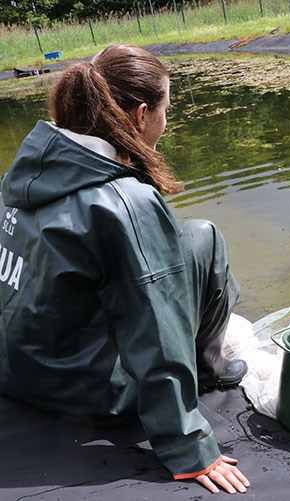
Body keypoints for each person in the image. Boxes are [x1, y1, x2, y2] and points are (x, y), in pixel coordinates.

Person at [0, 44, 250, 495]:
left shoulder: (25, 174)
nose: (166, 123)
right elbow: (155, 327)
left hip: (19, 370)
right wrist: (189, 448)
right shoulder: (124, 202)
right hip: (89, 393)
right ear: (140, 115)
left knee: (185, 237)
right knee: (205, 236)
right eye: (166, 109)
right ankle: (208, 368)